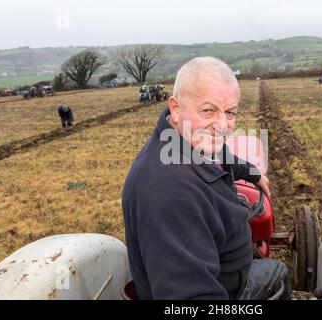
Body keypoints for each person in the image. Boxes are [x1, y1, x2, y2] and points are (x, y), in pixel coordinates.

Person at [122, 57, 290, 300]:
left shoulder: (184, 142)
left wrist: (253, 174)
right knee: (279, 271)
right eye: (208, 110)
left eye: (230, 112)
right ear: (176, 108)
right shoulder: (169, 193)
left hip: (224, 267)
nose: (222, 126)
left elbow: (222, 157)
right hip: (226, 290)